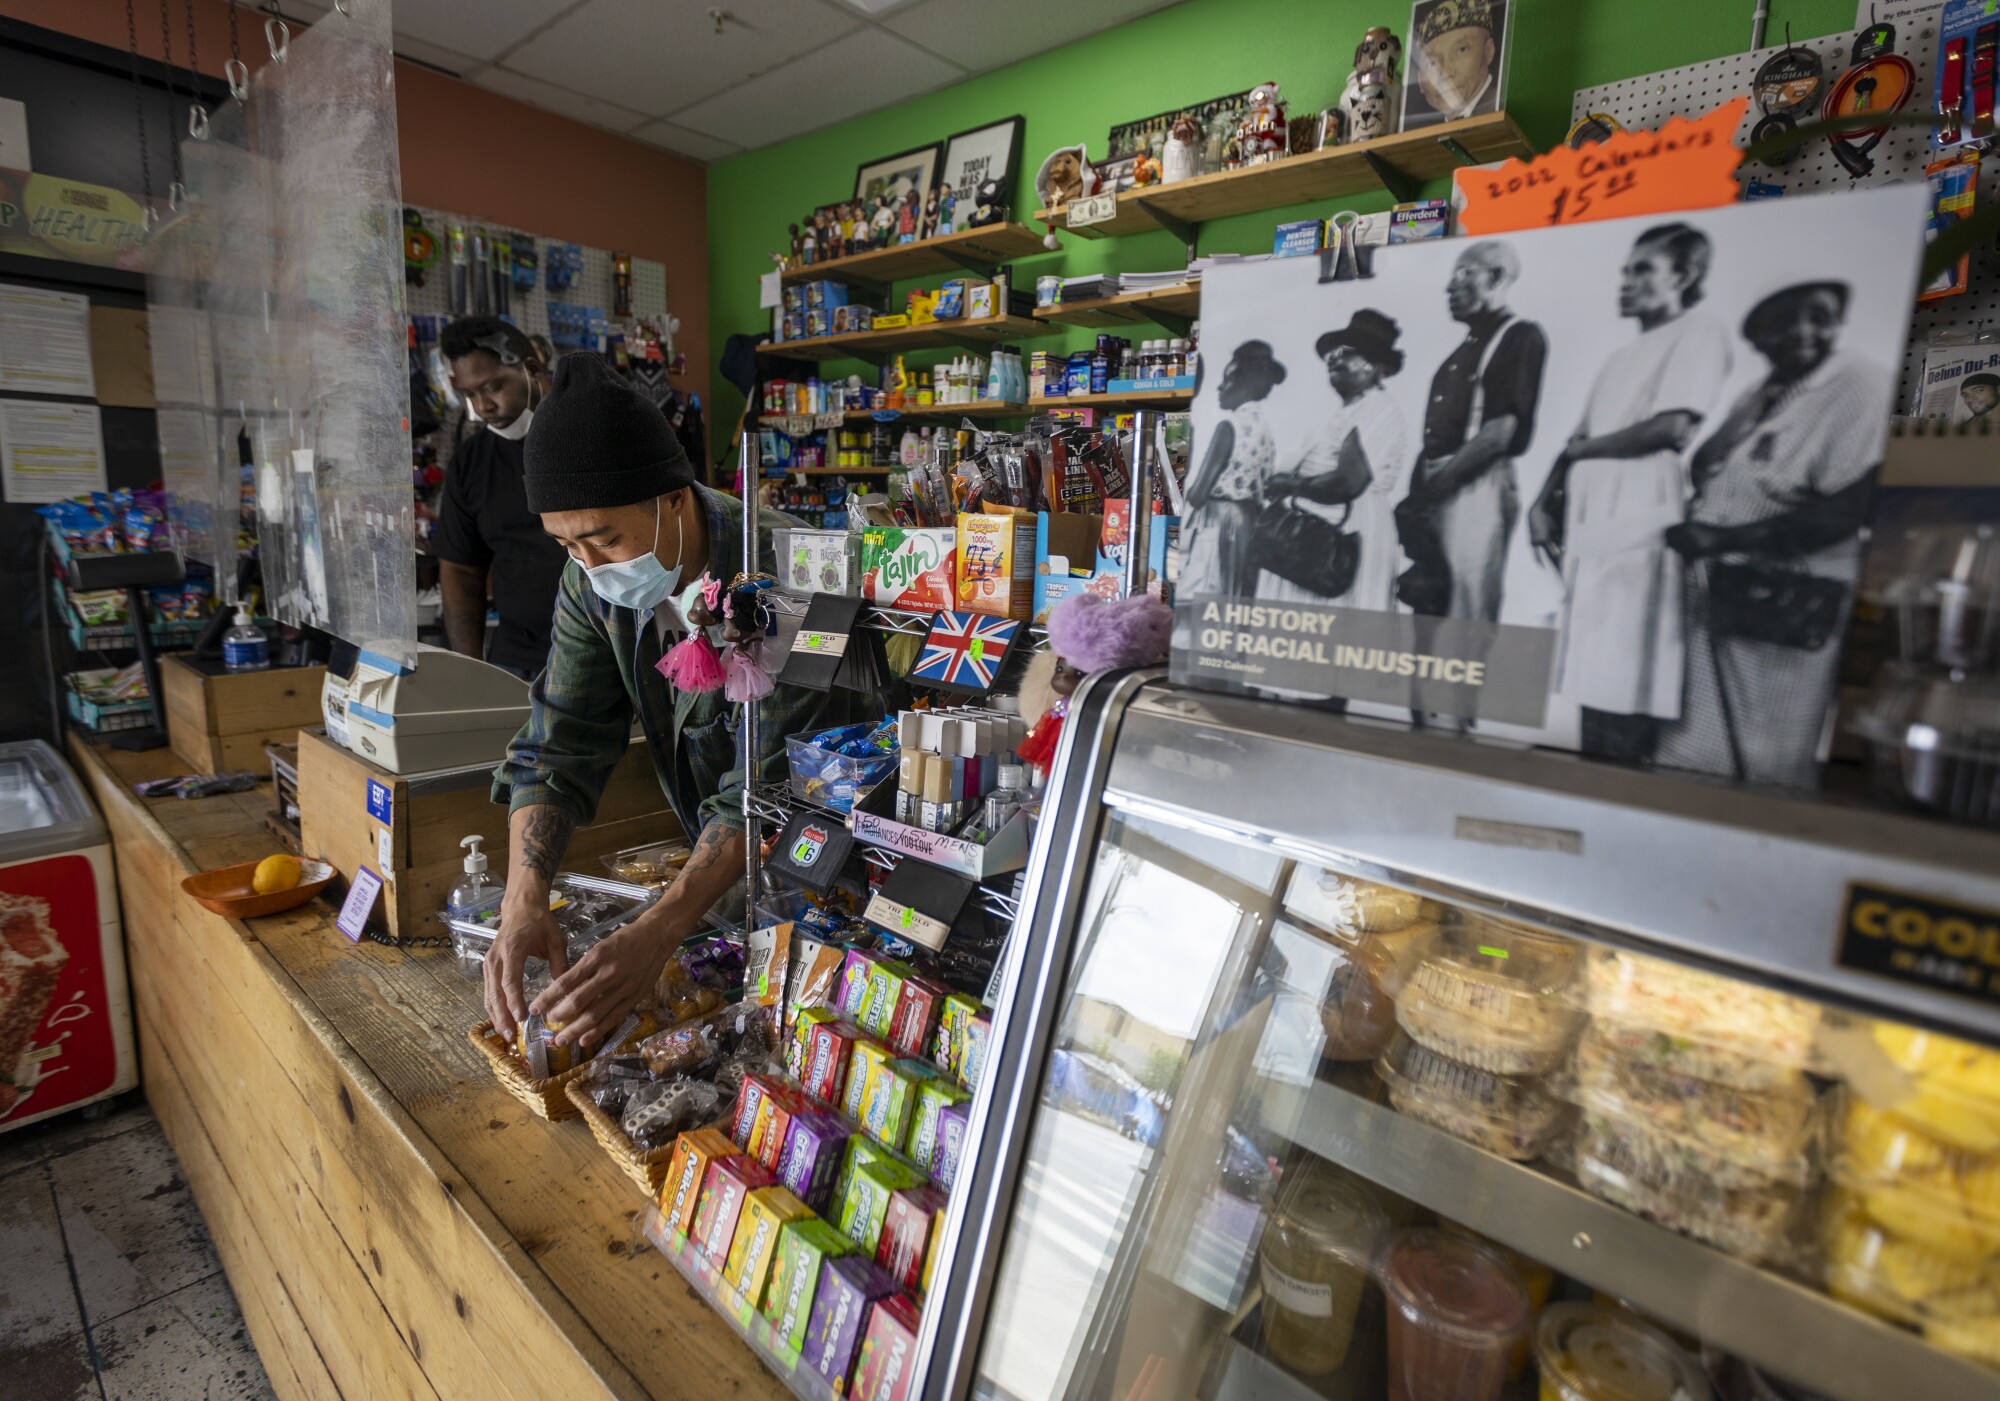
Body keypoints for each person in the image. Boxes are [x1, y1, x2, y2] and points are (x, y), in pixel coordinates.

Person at [480, 354, 874, 1049]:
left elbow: (766, 792)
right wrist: (521, 902)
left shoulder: (795, 580)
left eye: (603, 537)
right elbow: (559, 740)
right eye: (567, 544)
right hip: (720, 898)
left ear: (672, 496)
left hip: (837, 892)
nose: (591, 564)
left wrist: (659, 930)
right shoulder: (592, 585)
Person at [1656, 281, 1888, 787]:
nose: (1803, 331)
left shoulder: (1861, 385)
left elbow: (1847, 510)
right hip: (1721, 596)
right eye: (1783, 322)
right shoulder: (1765, 390)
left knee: (1764, 754)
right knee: (1702, 741)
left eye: (1819, 316)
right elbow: (1710, 468)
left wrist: (1723, 541)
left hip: (1787, 602)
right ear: (1757, 337)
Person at [1531, 224, 1732, 762]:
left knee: (1628, 668)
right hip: (1593, 525)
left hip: (1640, 516)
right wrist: (1541, 503)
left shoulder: (1699, 331)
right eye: (1625, 269)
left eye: (1643, 269)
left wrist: (1579, 455)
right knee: (1591, 667)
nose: (1626, 280)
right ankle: (1594, 770)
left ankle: (1619, 778)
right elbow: (1577, 438)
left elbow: (1671, 428)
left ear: (1683, 276)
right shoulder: (1620, 358)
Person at [432, 317, 568, 680]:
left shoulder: (589, 435)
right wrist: (470, 671)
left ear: (532, 369)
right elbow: (461, 571)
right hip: (518, 658)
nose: (482, 406)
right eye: (469, 395)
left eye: (493, 387)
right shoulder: (471, 462)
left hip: (608, 654)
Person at [1259, 310, 1412, 613]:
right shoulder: (1349, 409)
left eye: (1345, 353)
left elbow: (1347, 482)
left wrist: (1289, 484)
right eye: (1331, 353)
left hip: (1348, 532)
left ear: (1373, 364)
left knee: (1342, 625)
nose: (1332, 359)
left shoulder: (1378, 407)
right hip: (1318, 528)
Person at [1181, 340, 1288, 598]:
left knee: (1208, 591)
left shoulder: (1229, 426)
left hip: (1220, 519)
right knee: (1238, 595)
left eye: (1227, 379)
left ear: (1245, 384)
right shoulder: (1266, 430)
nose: (1220, 386)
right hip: (1249, 521)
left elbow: (1198, 494)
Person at [1411, 0, 1500, 123]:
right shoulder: (1421, 131)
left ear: (1489, 51)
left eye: (1461, 50)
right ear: (1420, 80)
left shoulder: (1500, 107)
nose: (1446, 72)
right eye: (1431, 63)